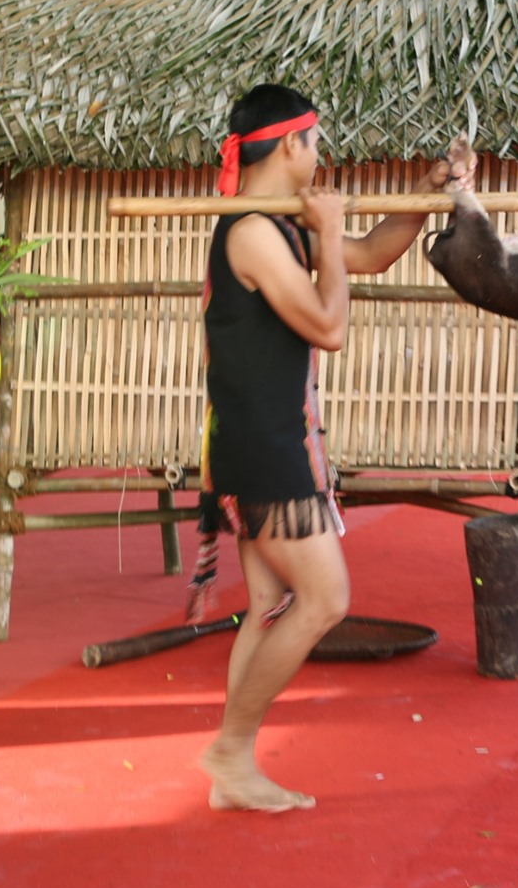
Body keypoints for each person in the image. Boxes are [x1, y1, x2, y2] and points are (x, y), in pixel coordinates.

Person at [196, 83, 462, 812]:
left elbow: (372, 254)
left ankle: (235, 765)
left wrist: (423, 191)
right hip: (263, 444)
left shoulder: (278, 223)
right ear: (291, 144)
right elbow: (328, 324)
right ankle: (228, 747)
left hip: (262, 438)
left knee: (268, 604)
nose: (322, 155)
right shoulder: (253, 230)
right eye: (317, 141)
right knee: (324, 598)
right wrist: (328, 238)